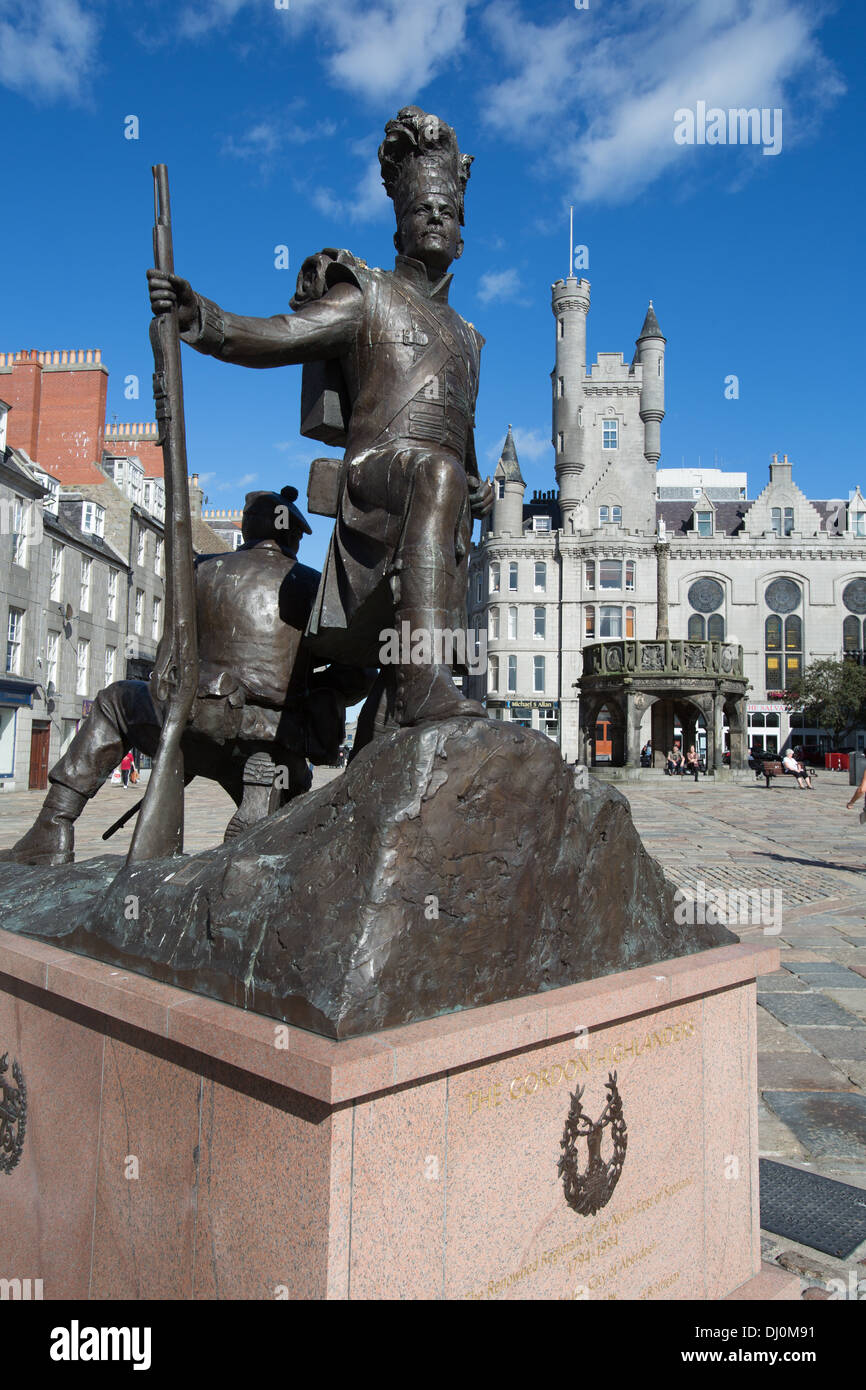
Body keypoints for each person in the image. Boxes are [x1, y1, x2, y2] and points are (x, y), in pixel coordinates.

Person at [147, 105, 494, 734]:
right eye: (422, 209)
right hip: (374, 485)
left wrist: (481, 482)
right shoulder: (366, 293)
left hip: (435, 498)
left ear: (463, 229)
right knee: (438, 477)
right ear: (400, 224)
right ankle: (423, 681)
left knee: (446, 481)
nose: (435, 218)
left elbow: (460, 444)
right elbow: (281, 335)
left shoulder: (470, 339)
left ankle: (400, 703)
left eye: (446, 209)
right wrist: (206, 319)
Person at [1, 489, 372, 866]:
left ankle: (54, 824)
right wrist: (309, 682)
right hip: (276, 736)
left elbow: (172, 655)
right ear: (293, 537)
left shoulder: (201, 570)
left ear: (246, 530)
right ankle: (265, 813)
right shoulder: (316, 587)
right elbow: (358, 675)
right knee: (284, 778)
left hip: (199, 722)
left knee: (115, 700)